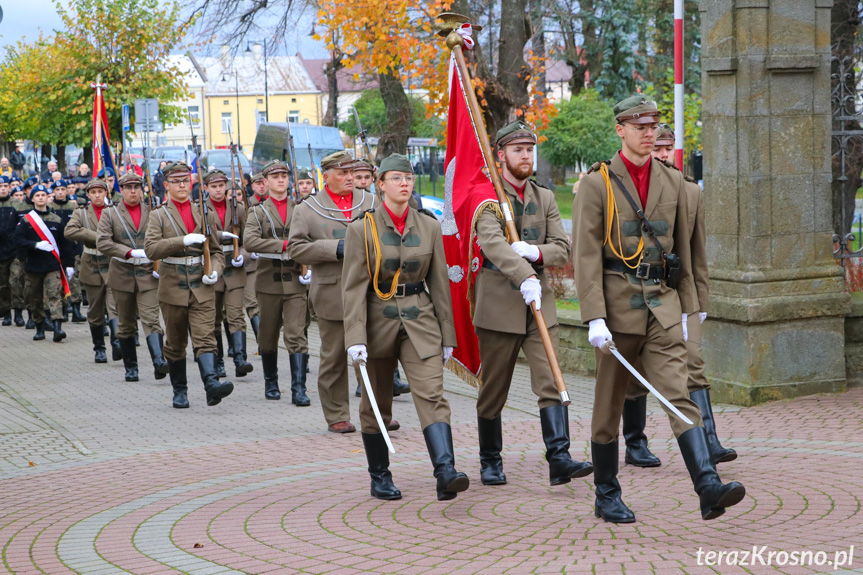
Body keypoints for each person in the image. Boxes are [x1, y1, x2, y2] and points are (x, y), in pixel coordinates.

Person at [572, 95, 745, 524]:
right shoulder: (597, 184)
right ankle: (606, 493)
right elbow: (587, 255)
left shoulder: (674, 182)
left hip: (663, 307)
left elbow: (689, 249)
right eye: (639, 126)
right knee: (608, 407)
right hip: (616, 308)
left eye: (653, 126)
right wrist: (593, 315)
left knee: (677, 394)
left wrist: (695, 305)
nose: (649, 133)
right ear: (620, 129)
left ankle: (707, 487)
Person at [469, 121, 593, 489]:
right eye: (518, 150)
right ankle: (490, 459)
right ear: (501, 155)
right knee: (494, 389)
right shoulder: (487, 196)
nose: (526, 156)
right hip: (499, 302)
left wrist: (536, 252)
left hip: (541, 301)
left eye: (529, 149)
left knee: (551, 380)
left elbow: (562, 247)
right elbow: (491, 244)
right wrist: (523, 273)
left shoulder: (545, 197)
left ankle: (559, 458)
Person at [342, 153, 468, 501]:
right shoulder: (361, 228)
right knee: (376, 402)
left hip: (420, 320)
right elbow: (352, 288)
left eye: (408, 178)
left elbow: (441, 284)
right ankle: (380, 476)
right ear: (380, 184)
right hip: (376, 321)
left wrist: (448, 335)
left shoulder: (428, 226)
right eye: (396, 178)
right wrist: (354, 338)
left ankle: (445, 471)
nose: (404, 184)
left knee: (432, 394)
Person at [620, 124, 737, 468]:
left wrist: (700, 302)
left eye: (668, 147)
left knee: (694, 365)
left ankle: (709, 440)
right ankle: (635, 442)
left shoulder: (689, 191)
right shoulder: (626, 189)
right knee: (635, 371)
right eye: (657, 148)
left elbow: (697, 253)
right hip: (639, 292)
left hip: (680, 294)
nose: (663, 154)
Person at [289, 152, 378, 433]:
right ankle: (337, 414)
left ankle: (377, 411)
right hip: (332, 291)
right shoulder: (308, 209)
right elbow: (296, 248)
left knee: (375, 354)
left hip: (370, 290)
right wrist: (332, 248)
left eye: (352, 172)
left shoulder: (371, 201)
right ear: (324, 176)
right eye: (342, 173)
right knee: (335, 355)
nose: (350, 177)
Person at [144, 161, 233, 409]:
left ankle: (211, 385)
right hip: (173, 286)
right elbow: (151, 249)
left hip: (201, 285)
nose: (182, 185)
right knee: (175, 342)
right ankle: (179, 390)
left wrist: (215, 271)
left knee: (205, 338)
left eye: (185, 180)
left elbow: (216, 251)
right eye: (176, 181)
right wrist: (181, 240)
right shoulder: (158, 215)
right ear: (167, 185)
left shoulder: (204, 211)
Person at [244, 160, 311, 405]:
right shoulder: (257, 212)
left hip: (295, 281)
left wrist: (310, 265)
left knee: (296, 335)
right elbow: (250, 241)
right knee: (267, 337)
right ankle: (271, 382)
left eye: (284, 175)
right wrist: (283, 246)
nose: (281, 180)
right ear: (266, 182)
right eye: (275, 177)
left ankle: (298, 389)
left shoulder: (302, 209)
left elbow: (312, 239)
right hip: (268, 283)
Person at [96, 172, 169, 382]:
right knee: (126, 323)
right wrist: (128, 252)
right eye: (129, 187)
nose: (133, 191)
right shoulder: (111, 214)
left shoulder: (152, 211)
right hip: (122, 273)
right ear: (122, 190)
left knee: (151, 318)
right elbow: (103, 242)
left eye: (137, 187)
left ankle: (159, 362)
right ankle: (131, 367)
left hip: (147, 273)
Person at [350, 158, 411, 399]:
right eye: (358, 177)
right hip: (366, 288)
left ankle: (393, 378)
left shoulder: (389, 202)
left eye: (367, 177)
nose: (362, 182)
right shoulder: (359, 215)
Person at [203, 169, 252, 379]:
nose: (218, 190)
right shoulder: (201, 209)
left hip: (234, 268)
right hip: (213, 268)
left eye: (221, 186)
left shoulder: (238, 209)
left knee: (236, 315)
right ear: (206, 188)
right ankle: (218, 361)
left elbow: (249, 237)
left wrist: (244, 254)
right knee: (213, 318)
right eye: (213, 186)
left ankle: (240, 358)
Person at [66, 179, 122, 362]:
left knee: (114, 307)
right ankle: (99, 347)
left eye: (101, 191)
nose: (97, 195)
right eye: (93, 192)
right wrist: (98, 237)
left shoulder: (115, 211)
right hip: (91, 263)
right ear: (88, 195)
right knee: (95, 310)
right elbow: (70, 231)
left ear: (106, 192)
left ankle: (116, 343)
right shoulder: (81, 213)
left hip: (113, 263)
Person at [13, 184, 76, 341]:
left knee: (55, 295)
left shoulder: (56, 220)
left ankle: (57, 329)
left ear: (48, 198)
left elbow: (65, 244)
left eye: (43, 195)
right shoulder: (26, 221)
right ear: (32, 198)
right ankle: (40, 327)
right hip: (32, 265)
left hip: (52, 265)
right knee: (34, 298)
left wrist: (69, 265)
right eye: (37, 195)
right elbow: (17, 240)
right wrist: (35, 245)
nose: (41, 198)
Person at [49, 180, 86, 324]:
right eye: (57, 189)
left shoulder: (74, 206)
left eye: (63, 189)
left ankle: (76, 309)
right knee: (59, 280)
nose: (60, 192)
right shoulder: (50, 208)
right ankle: (63, 310)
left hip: (73, 248)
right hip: (56, 249)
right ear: (53, 192)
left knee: (75, 278)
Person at [0, 177, 18, 325]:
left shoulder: (16, 205)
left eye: (5, 186)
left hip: (14, 250)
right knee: (3, 285)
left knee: (16, 281)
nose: (3, 189)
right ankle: (6, 313)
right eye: (0, 186)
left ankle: (18, 312)